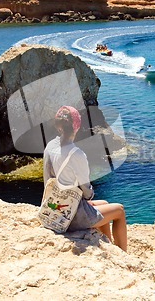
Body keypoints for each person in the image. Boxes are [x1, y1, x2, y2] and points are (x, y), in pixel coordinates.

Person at [43, 106, 127, 251]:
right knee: (119, 210)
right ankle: (123, 253)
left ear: (58, 125)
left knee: (104, 204)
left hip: (54, 209)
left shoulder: (50, 146)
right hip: (71, 216)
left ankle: (108, 245)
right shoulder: (77, 154)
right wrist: (89, 193)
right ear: (77, 126)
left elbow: (47, 181)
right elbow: (87, 193)